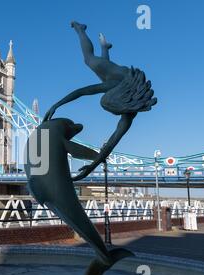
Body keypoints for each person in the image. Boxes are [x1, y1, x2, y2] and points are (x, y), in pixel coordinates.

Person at [44, 21, 158, 180]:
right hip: (117, 74)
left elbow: (111, 143)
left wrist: (92, 166)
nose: (112, 113)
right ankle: (80, 29)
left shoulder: (129, 112)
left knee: (102, 70)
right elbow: (82, 92)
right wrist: (57, 105)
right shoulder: (115, 83)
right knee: (89, 60)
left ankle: (105, 48)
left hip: (122, 80)